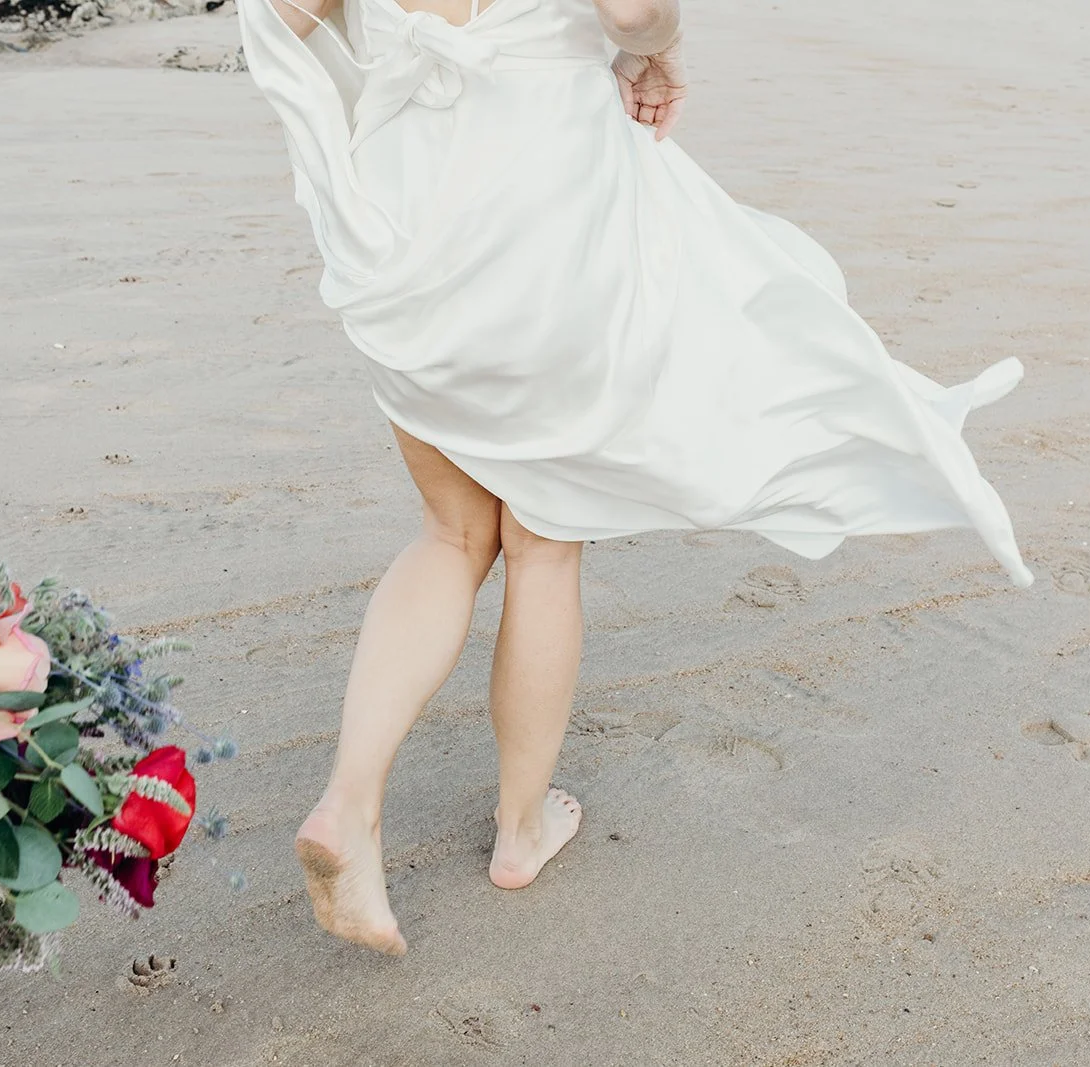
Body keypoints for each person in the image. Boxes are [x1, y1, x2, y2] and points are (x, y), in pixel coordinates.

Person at [236, 0, 1033, 956]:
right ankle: (520, 831)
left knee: (451, 532)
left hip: (406, 221)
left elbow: (292, 13)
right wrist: (658, 54)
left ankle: (348, 802)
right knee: (542, 542)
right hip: (542, 209)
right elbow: (635, 8)